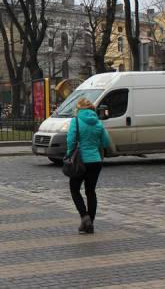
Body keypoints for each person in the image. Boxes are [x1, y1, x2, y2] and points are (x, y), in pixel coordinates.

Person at [66, 97, 111, 234]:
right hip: (95, 161)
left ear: (79, 109)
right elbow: (106, 142)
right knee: (90, 192)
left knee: (74, 189)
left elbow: (71, 140)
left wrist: (69, 154)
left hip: (81, 161)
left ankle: (84, 216)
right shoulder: (98, 122)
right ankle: (90, 223)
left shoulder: (76, 121)